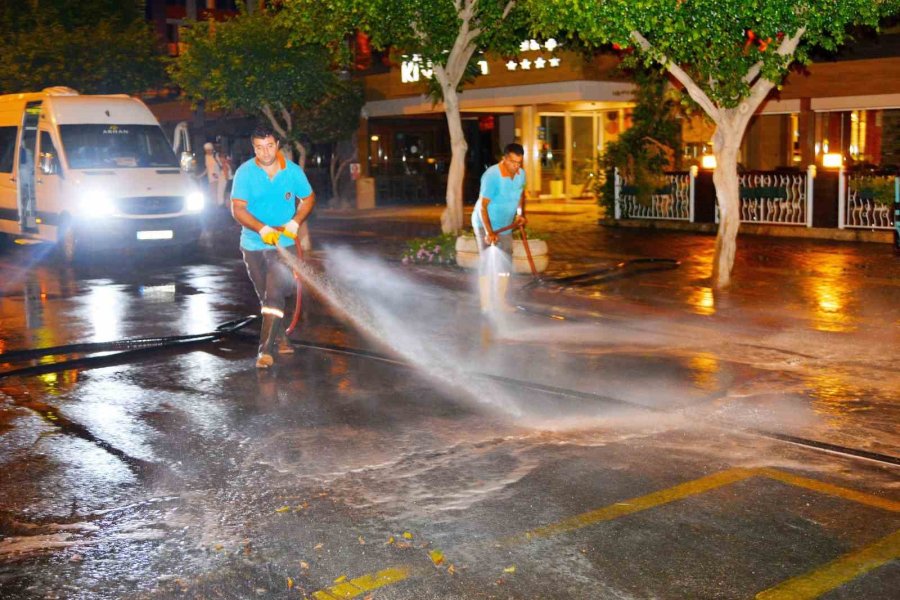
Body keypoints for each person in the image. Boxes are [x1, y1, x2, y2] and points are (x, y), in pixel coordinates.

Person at [230, 124, 316, 369]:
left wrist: (295, 222)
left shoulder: (293, 172)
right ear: (253, 148)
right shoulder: (245, 173)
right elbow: (238, 209)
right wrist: (262, 229)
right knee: (265, 296)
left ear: (277, 144)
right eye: (259, 147)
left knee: (275, 293)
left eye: (269, 146)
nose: (265, 152)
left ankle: (265, 351)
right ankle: (281, 336)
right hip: (253, 244)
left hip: (284, 244)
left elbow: (308, 198)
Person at [471, 142, 527, 313]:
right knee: (488, 261)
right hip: (484, 224)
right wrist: (489, 232)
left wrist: (519, 214)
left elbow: (521, 195)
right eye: (513, 162)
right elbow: (483, 206)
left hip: (505, 225)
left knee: (505, 265)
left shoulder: (521, 175)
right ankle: (486, 305)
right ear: (504, 159)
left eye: (519, 163)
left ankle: (500, 302)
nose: (516, 166)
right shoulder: (492, 176)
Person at [203, 142, 225, 208]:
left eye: (209, 150)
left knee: (217, 192)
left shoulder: (216, 156)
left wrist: (217, 175)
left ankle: (218, 205)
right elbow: (207, 169)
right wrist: (200, 176)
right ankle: (215, 206)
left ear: (212, 149)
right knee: (212, 192)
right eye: (206, 150)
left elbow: (221, 166)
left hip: (217, 177)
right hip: (210, 178)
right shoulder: (206, 157)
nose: (208, 151)